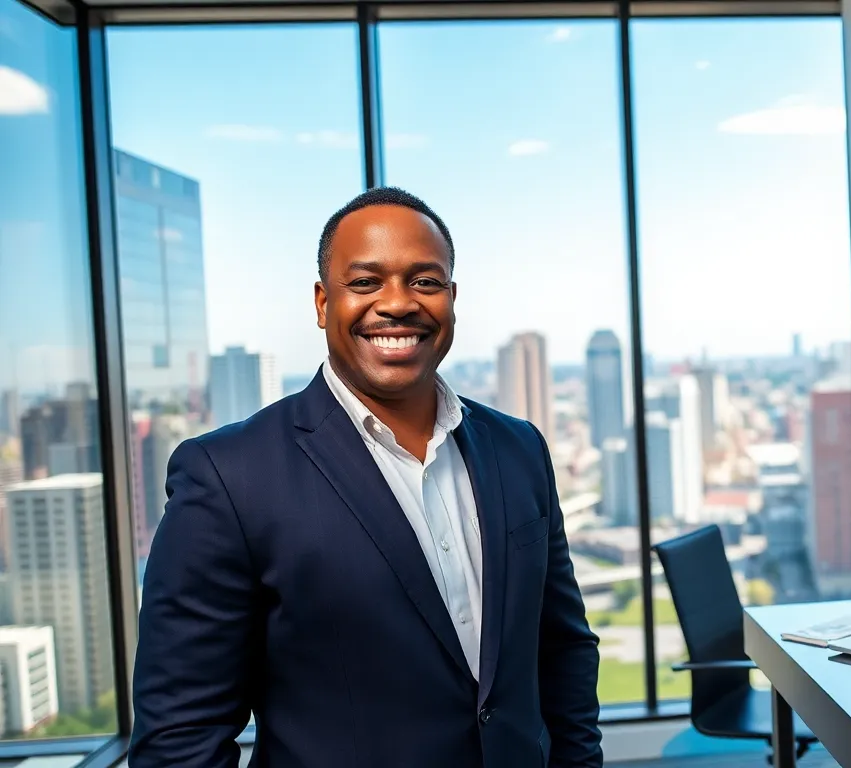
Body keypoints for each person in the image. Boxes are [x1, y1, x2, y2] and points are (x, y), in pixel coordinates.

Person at [129, 187, 602, 768]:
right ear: (323, 303)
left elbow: (563, 649)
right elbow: (179, 740)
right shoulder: (229, 478)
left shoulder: (519, 448)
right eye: (365, 283)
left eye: (425, 282)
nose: (398, 303)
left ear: (452, 300)